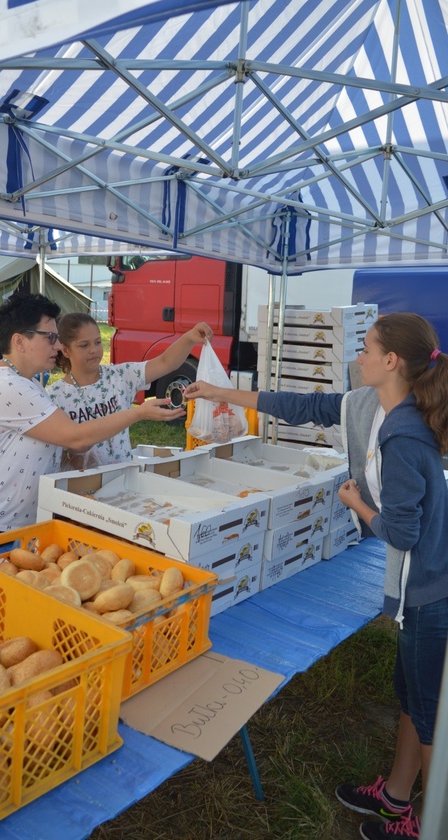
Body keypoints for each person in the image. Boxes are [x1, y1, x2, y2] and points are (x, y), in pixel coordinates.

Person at [184, 312, 448, 840]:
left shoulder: (404, 436)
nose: (358, 357)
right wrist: (219, 391)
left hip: (429, 588)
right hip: (417, 583)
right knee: (411, 696)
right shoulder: (377, 406)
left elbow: (401, 532)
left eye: (367, 349)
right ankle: (397, 799)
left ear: (391, 361)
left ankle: (434, 822)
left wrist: (353, 500)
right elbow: (303, 407)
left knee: (429, 711)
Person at [0, 292, 187, 533]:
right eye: (50, 338)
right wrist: (137, 414)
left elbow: (74, 444)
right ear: (20, 342)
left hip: (10, 525)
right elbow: (75, 437)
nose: (57, 346)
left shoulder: (27, 383)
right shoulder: (10, 387)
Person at [47, 312, 213, 469]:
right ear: (66, 350)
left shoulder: (120, 375)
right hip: (82, 485)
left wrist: (189, 338)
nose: (93, 350)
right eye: (84, 345)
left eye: (98, 342)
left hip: (125, 476)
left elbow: (165, 362)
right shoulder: (53, 396)